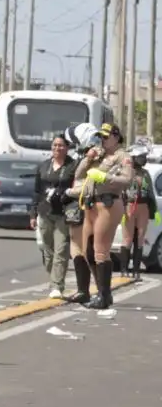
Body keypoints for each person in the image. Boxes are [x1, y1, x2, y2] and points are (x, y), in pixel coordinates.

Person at [73, 120, 136, 308]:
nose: (102, 140)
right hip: (92, 203)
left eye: (106, 137)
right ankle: (100, 290)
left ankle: (104, 295)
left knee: (101, 250)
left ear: (116, 137)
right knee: (88, 251)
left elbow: (127, 179)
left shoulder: (122, 156)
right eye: (100, 137)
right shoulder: (99, 155)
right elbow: (78, 173)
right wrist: (89, 157)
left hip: (109, 203)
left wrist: (105, 177)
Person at [62, 122, 103, 302]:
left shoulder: (94, 156)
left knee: (84, 250)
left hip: (87, 204)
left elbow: (86, 184)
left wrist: (67, 192)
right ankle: (87, 290)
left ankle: (92, 291)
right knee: (80, 248)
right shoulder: (90, 154)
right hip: (84, 205)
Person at [32, 134, 74, 299]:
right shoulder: (43, 166)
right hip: (45, 212)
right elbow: (36, 192)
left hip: (63, 214)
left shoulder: (72, 166)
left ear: (67, 148)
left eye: (61, 145)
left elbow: (77, 186)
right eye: (55, 145)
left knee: (61, 249)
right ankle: (53, 278)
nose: (57, 148)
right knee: (47, 251)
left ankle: (57, 285)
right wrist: (33, 213)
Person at [124, 138, 154, 275]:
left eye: (144, 157)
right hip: (129, 206)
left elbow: (151, 193)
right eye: (141, 157)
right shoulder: (126, 172)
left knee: (140, 238)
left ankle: (136, 270)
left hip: (143, 207)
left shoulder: (146, 173)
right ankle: (124, 269)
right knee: (128, 239)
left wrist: (153, 210)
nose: (143, 159)